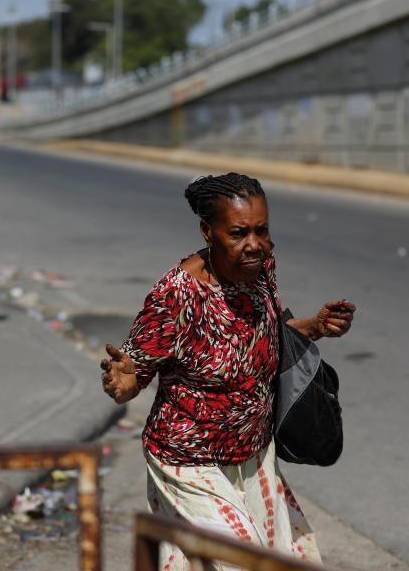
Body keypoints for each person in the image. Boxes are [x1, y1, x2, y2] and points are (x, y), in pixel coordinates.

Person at [100, 173, 356, 569]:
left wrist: (316, 326)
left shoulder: (261, 266)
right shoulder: (177, 295)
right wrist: (122, 383)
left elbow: (266, 334)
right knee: (246, 562)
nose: (253, 244)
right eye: (238, 233)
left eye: (261, 230)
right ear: (208, 231)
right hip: (189, 461)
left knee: (276, 560)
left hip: (252, 456)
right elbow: (135, 374)